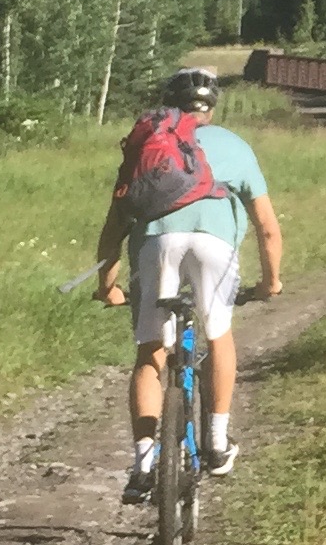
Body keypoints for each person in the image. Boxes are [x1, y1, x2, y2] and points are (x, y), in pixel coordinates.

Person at [93, 65, 284, 499]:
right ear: (212, 108)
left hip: (154, 247)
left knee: (150, 352)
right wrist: (270, 282)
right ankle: (216, 442)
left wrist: (107, 285)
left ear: (169, 105)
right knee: (218, 336)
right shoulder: (234, 145)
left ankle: (143, 464)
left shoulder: (148, 144)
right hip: (215, 249)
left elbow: (113, 229)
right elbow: (267, 228)